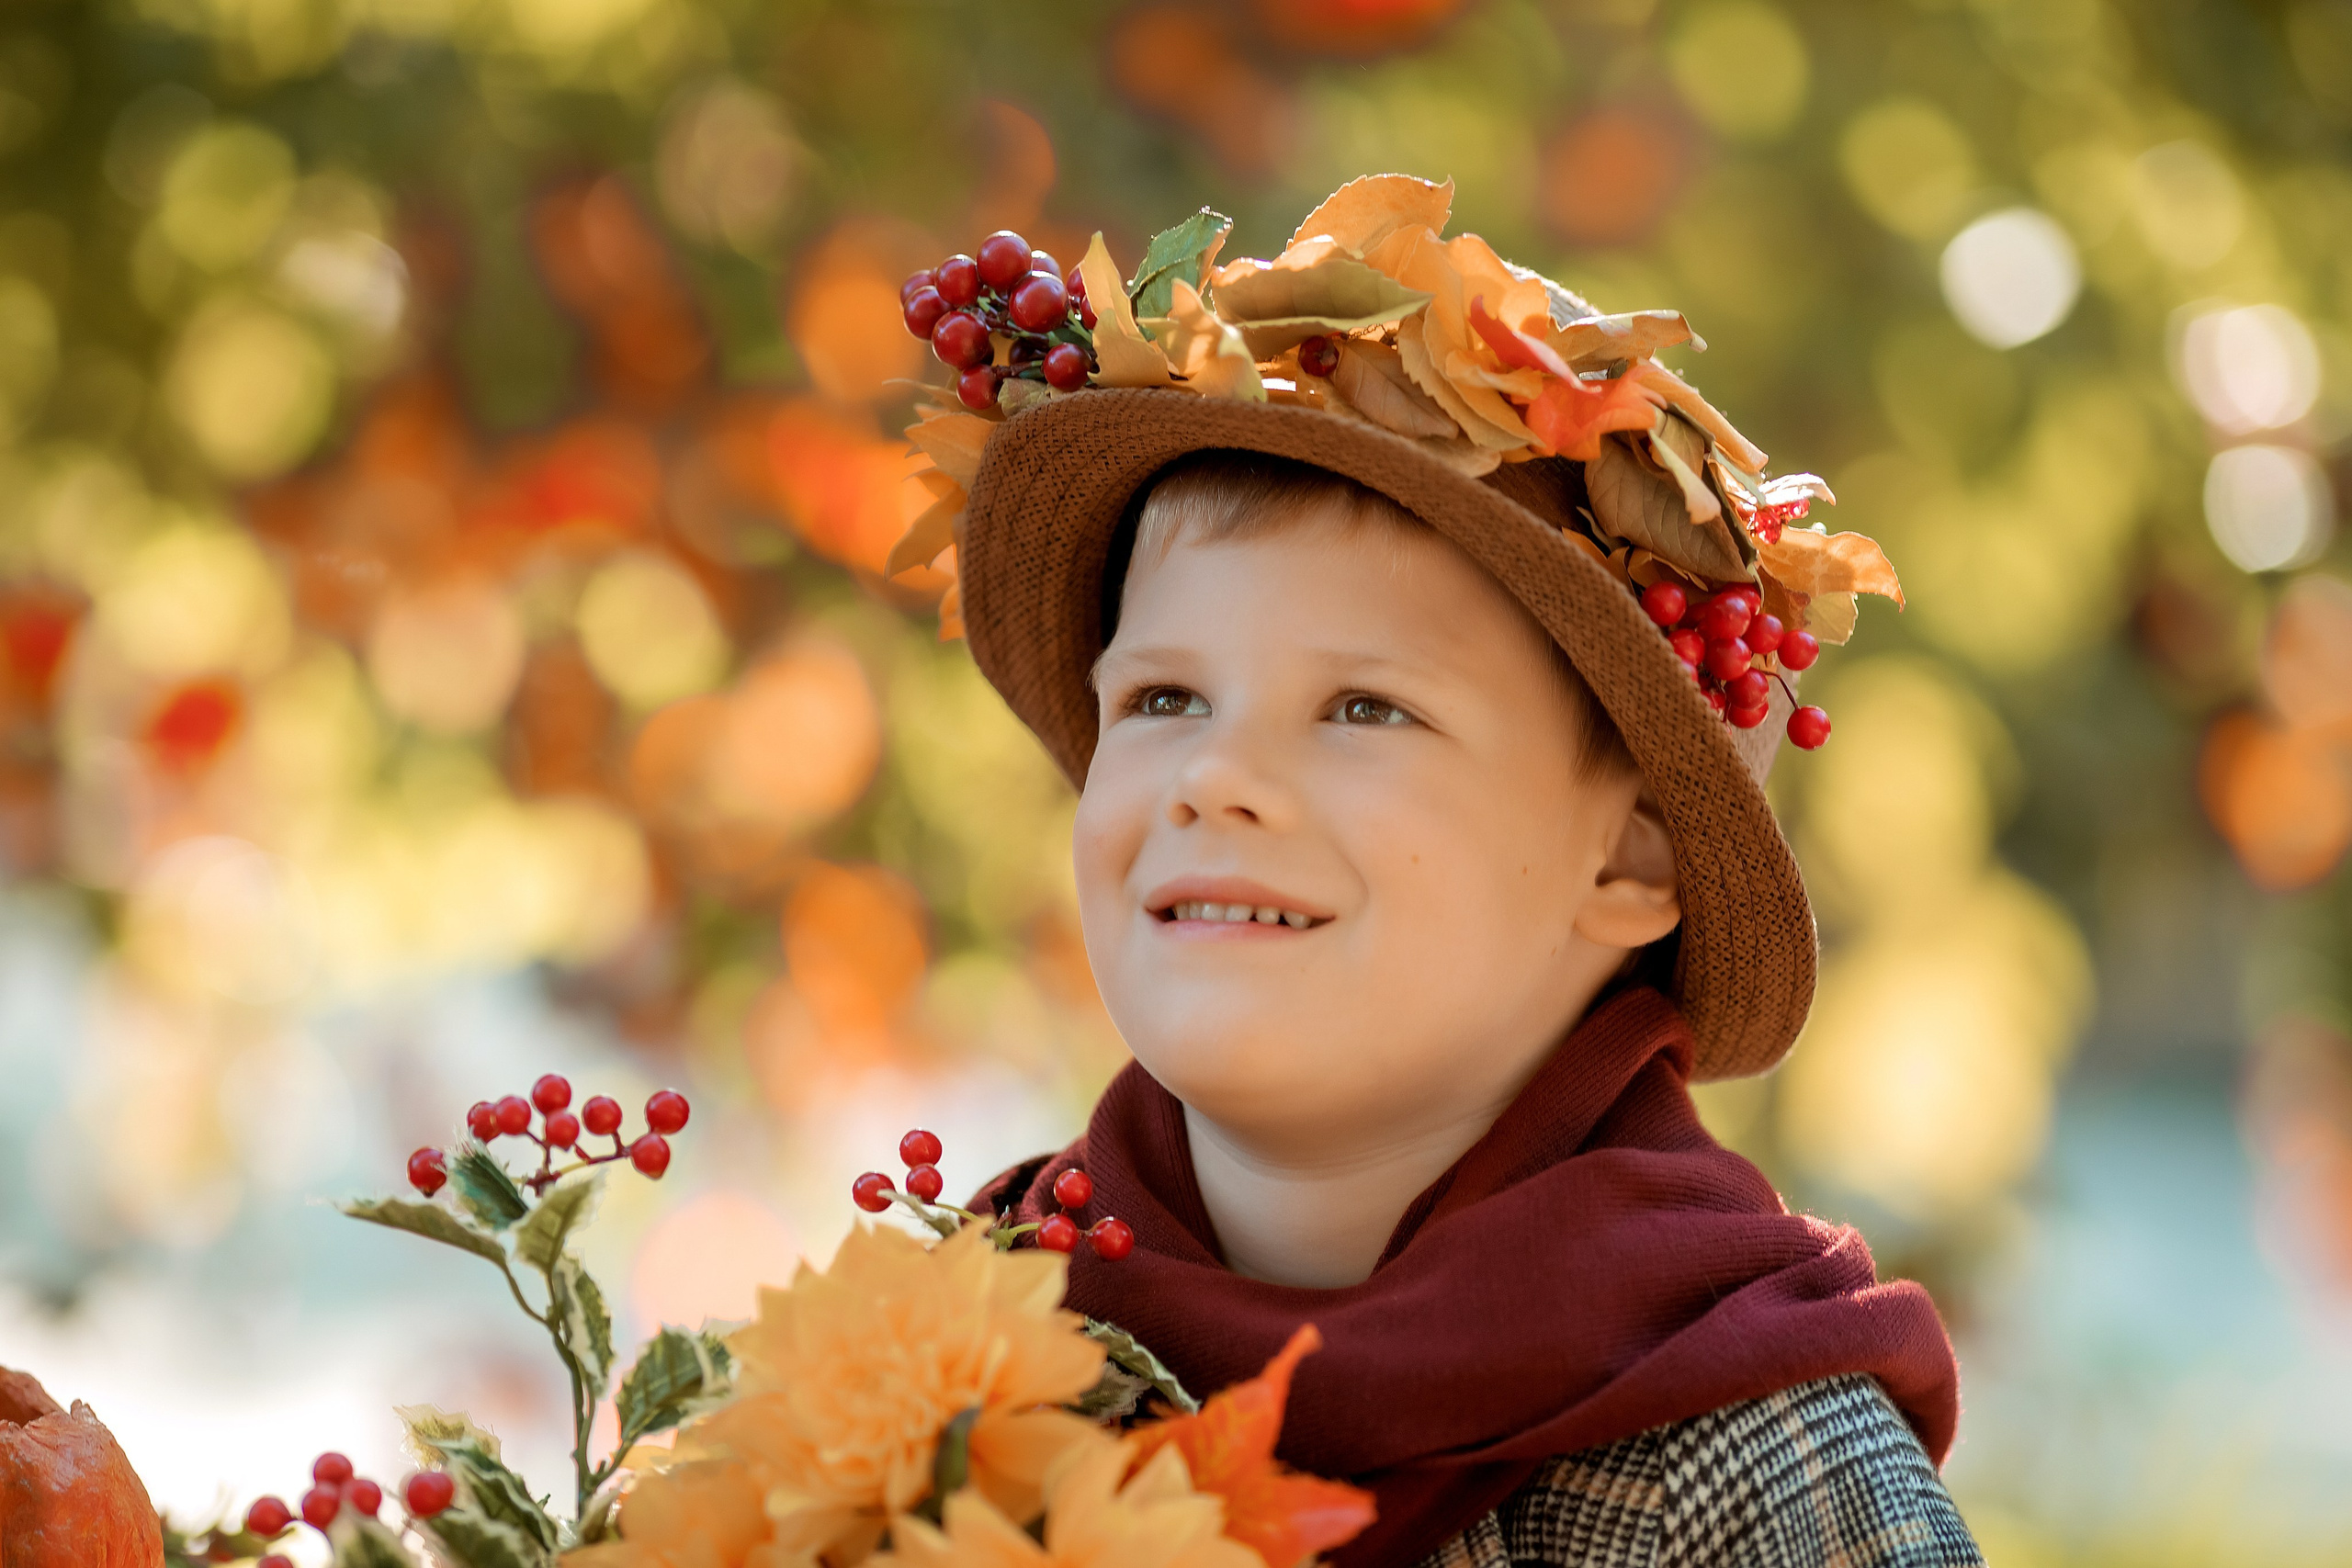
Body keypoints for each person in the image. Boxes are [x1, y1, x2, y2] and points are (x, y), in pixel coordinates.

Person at [899, 174, 1978, 1567]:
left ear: (1632, 855)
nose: (1215, 775)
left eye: (1364, 709)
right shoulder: (957, 1348)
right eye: (1164, 699)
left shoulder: (1747, 1470)